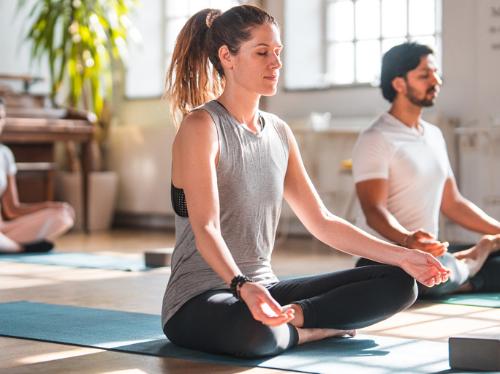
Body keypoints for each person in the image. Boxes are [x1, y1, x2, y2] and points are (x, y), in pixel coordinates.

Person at [161, 6, 449, 358]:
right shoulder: (202, 127)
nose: (275, 63)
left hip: (265, 288)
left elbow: (322, 222)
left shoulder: (279, 133)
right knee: (253, 332)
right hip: (200, 298)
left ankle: (293, 320)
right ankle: (315, 330)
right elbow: (205, 228)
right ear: (227, 57)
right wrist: (242, 285)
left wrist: (404, 256)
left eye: (278, 53)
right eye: (262, 53)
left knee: (399, 283)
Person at [352, 42, 500, 296]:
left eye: (435, 73)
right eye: (424, 75)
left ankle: (462, 269)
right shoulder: (376, 138)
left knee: (433, 275)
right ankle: (472, 261)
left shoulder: (433, 135)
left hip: (432, 255)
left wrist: (498, 230)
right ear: (399, 84)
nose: (436, 81)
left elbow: (453, 203)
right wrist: (407, 239)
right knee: (410, 282)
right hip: (390, 258)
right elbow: (373, 211)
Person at [0, 98, 75, 253]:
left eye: (1, 117)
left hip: (4, 228)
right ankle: (20, 248)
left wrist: (49, 205)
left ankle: (7, 244)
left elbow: (12, 209)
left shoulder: (5, 154)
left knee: (62, 215)